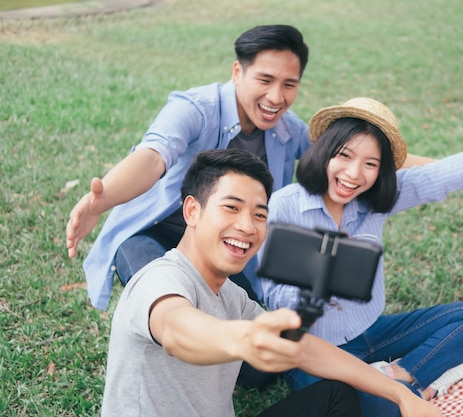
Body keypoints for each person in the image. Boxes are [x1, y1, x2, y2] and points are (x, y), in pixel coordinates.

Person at [65, 24, 440, 312]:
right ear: (237, 73)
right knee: (167, 297)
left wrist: (445, 167)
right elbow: (152, 156)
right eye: (265, 80)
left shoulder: (289, 130)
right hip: (156, 235)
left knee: (256, 369)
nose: (277, 97)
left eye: (289, 85)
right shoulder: (195, 108)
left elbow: (356, 154)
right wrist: (104, 198)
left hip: (228, 244)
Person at [259, 97, 463, 417]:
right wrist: (319, 280)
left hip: (371, 332)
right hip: (314, 352)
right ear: (324, 152)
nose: (353, 173)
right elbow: (273, 296)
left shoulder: (373, 201)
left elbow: (439, 176)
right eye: (344, 155)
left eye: (370, 164)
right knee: (384, 409)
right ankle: (416, 387)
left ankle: (401, 375)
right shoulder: (285, 206)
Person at [100, 148, 443, 417]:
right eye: (231, 208)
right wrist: (243, 339)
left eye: (260, 214)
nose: (248, 227)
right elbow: (176, 330)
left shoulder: (231, 296)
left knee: (335, 396)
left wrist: (400, 394)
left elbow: (307, 350)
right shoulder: (160, 279)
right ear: (192, 211)